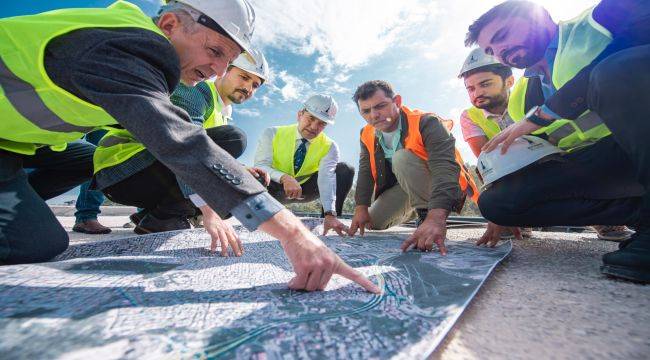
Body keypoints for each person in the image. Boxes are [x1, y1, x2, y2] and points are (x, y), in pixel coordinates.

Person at [0, 0, 379, 293]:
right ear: (169, 25)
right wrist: (294, 233)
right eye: (215, 52)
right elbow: (182, 144)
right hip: (30, 148)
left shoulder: (148, 62)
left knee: (84, 159)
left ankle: (17, 197)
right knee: (40, 243)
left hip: (16, 144)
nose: (217, 71)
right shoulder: (124, 49)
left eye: (226, 61)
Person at [465, 0, 650, 282]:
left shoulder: (604, 17)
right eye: (491, 49)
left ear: (536, 16)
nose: (500, 51)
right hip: (611, 164)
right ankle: (641, 216)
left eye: (502, 36)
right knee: (498, 204)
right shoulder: (521, 100)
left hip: (639, 142)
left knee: (614, 70)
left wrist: (547, 112)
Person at [93, 49, 270, 236]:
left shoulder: (221, 113)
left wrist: (239, 169)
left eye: (255, 85)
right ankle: (165, 216)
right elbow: (184, 145)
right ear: (225, 70)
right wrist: (209, 212)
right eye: (244, 77)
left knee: (247, 180)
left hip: (150, 173)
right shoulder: (195, 90)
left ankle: (155, 214)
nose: (248, 88)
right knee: (235, 139)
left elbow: (208, 155)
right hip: (123, 171)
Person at [347, 80, 479, 254]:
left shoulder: (427, 122)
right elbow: (365, 170)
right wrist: (361, 207)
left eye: (380, 106)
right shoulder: (366, 133)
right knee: (373, 222)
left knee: (401, 158)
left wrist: (435, 217)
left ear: (397, 102)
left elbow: (445, 169)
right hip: (406, 187)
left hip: (445, 184)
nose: (374, 115)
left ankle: (425, 216)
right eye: (366, 111)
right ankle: (412, 210)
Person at [254, 94, 354, 236]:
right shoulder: (272, 133)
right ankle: (259, 214)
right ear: (300, 115)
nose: (314, 127)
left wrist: (330, 213)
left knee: (345, 170)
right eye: (311, 118)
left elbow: (327, 179)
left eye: (321, 123)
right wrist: (285, 178)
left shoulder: (330, 146)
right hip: (275, 189)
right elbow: (261, 165)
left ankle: (328, 220)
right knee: (255, 175)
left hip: (306, 190)